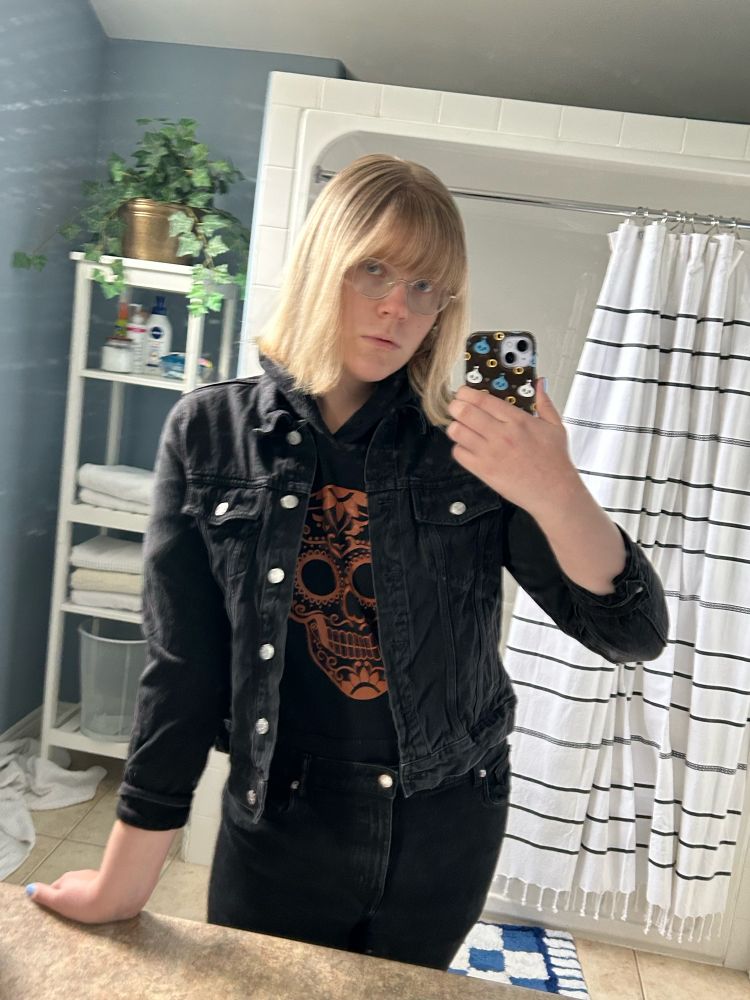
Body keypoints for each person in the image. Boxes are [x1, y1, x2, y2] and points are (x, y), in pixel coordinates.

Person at [26, 153, 669, 970]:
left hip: (447, 822)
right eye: (374, 269)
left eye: (426, 286)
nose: (398, 306)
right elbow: (183, 672)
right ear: (323, 260)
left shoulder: (472, 446)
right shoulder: (211, 434)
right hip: (281, 817)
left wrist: (557, 489)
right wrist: (125, 882)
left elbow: (631, 635)